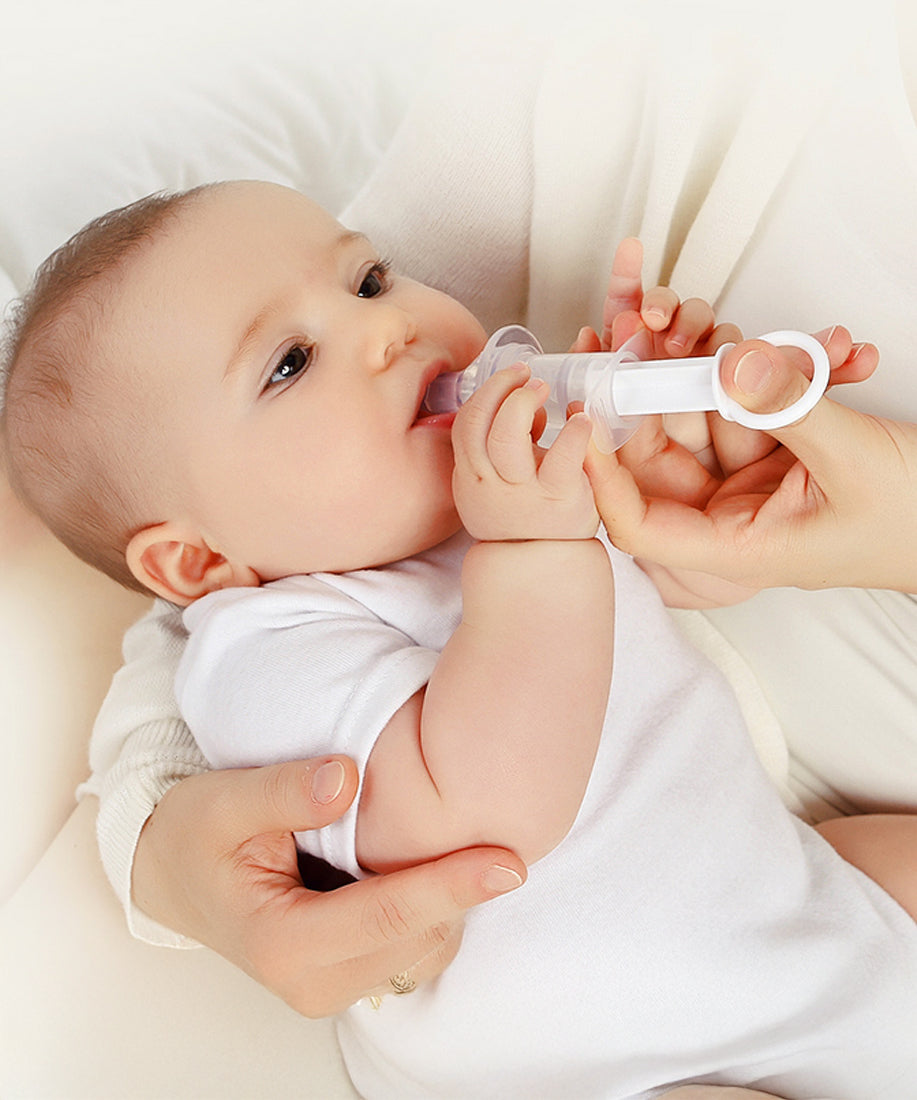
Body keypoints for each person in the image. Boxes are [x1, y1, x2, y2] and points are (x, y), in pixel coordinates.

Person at [3, 179, 916, 1098]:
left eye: (367, 280)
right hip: (618, 1059)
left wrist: (675, 483)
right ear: (197, 563)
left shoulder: (492, 498)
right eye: (289, 363)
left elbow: (690, 593)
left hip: (788, 902)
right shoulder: (261, 655)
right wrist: (534, 544)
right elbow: (485, 807)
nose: (386, 330)